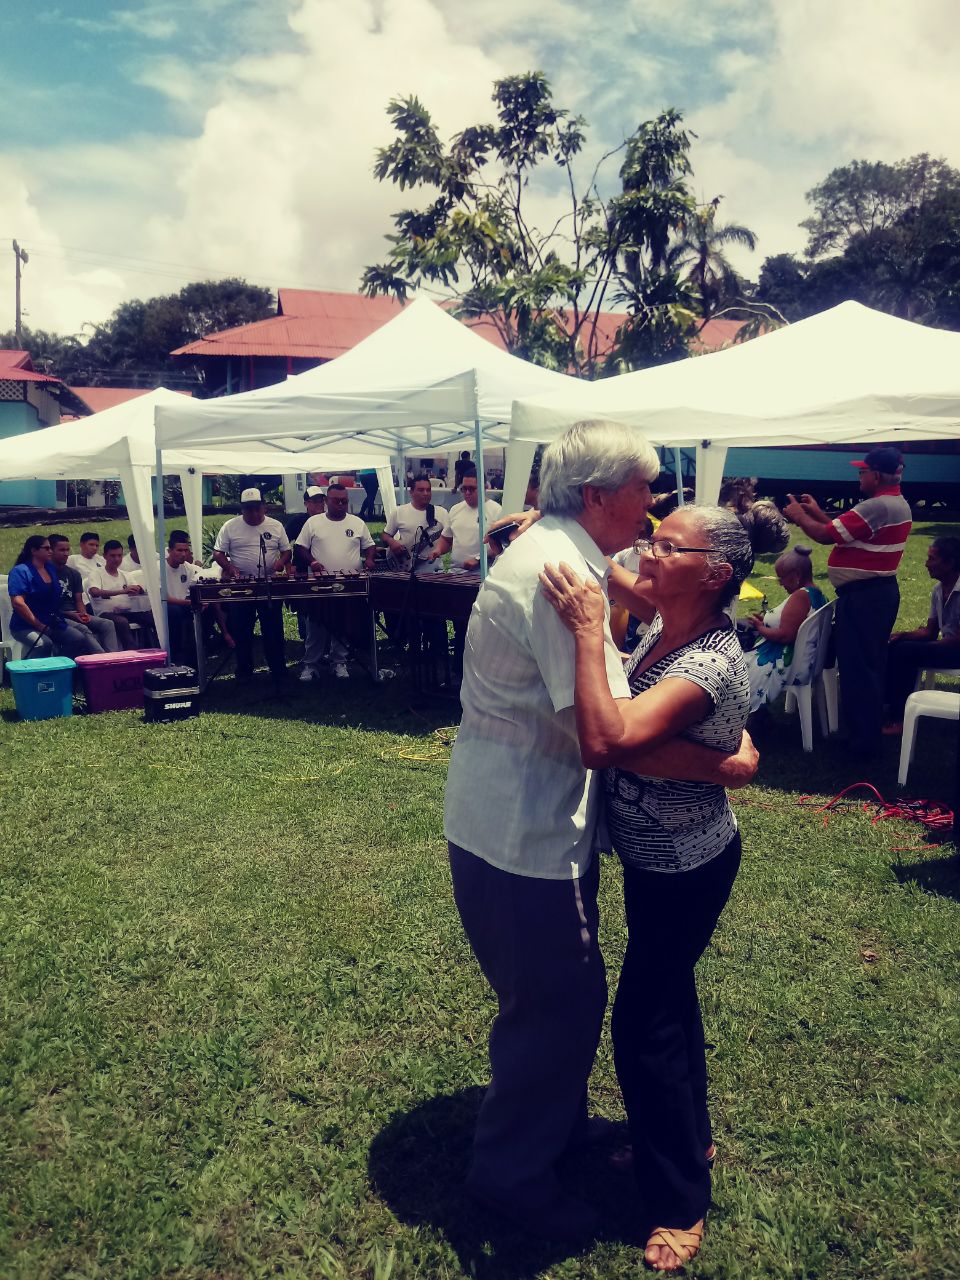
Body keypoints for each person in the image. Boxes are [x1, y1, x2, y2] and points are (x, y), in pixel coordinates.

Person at [443, 420, 759, 1242]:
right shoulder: (562, 578)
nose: (652, 516)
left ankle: (566, 1138)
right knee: (560, 1004)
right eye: (645, 491)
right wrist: (724, 766)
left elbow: (662, 624)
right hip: (526, 832)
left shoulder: (574, 563)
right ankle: (514, 1175)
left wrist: (729, 760)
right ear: (598, 497)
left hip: (546, 824)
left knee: (592, 999)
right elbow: (606, 736)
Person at [538, 501, 784, 1272]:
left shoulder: (706, 662)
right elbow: (614, 566)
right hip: (657, 859)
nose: (648, 550)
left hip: (686, 867)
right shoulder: (666, 615)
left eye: (666, 545)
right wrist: (543, 523)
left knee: (646, 1025)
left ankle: (679, 1199)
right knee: (670, 1004)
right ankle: (686, 1138)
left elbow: (605, 741)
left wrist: (586, 630)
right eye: (652, 534)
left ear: (713, 575)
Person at [783, 446, 912, 756]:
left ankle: (862, 746)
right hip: (874, 596)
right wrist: (815, 513)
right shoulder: (891, 503)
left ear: (876, 475)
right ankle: (864, 737)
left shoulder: (878, 505)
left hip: (866, 598)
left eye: (862, 471)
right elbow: (842, 531)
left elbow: (827, 536)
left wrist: (800, 517)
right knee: (865, 666)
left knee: (859, 670)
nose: (859, 476)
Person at [295, 483, 376, 680]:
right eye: (336, 501)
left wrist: (370, 558)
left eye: (344, 501)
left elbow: (370, 545)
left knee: (343, 624)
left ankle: (339, 662)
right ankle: (310, 664)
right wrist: (312, 561)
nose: (341, 504)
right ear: (327, 501)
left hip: (348, 584)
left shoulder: (357, 523)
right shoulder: (313, 523)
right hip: (319, 584)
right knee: (316, 626)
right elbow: (300, 547)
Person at [212, 487, 292, 684]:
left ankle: (278, 669)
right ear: (242, 509)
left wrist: (281, 562)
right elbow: (218, 553)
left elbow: (286, 551)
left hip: (269, 584)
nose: (254, 513)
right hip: (242, 585)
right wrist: (230, 568)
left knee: (273, 629)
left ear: (264, 507)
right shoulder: (230, 526)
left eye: (257, 508)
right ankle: (245, 670)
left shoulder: (275, 526)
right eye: (249, 509)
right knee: (242, 630)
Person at [883, 535, 960, 732]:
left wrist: (924, 646)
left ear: (950, 563)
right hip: (948, 647)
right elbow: (930, 631)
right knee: (896, 646)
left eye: (932, 559)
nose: (926, 564)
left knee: (906, 652)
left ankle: (898, 719)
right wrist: (902, 635)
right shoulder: (938, 589)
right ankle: (887, 704)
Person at [743, 544, 828, 712]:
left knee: (735, 668)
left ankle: (744, 714)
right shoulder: (816, 593)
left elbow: (785, 636)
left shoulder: (800, 596)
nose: (780, 584)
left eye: (781, 578)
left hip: (788, 665)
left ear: (796, 575)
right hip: (807, 660)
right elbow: (794, 624)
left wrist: (760, 628)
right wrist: (767, 621)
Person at [7, 535, 103, 658]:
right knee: (44, 643)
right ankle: (34, 674)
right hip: (25, 625)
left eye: (50, 548)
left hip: (52, 621)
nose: (50, 551)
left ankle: (62, 668)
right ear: (34, 551)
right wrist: (38, 624)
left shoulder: (50, 568)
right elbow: (18, 603)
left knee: (77, 638)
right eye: (46, 548)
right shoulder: (20, 571)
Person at [49, 534, 117, 652]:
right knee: (83, 628)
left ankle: (114, 657)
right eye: (61, 550)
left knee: (108, 624)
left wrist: (83, 614)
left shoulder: (73, 573)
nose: (66, 553)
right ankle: (102, 659)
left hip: (75, 613)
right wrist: (73, 615)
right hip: (57, 616)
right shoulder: (45, 574)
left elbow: (78, 599)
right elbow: (48, 608)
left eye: (67, 550)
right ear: (51, 551)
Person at [381, 473, 450, 572]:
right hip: (404, 565)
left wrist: (440, 550)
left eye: (428, 490)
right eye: (421, 490)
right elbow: (385, 535)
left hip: (432, 567)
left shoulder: (441, 513)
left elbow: (449, 541)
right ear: (411, 492)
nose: (425, 493)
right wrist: (392, 542)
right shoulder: (399, 511)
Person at [86, 540, 146, 649]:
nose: (116, 559)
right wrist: (122, 591)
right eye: (113, 556)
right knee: (122, 622)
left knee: (150, 618)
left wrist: (138, 589)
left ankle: (156, 648)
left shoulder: (125, 575)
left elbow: (136, 588)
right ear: (104, 556)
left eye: (119, 555)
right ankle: (132, 651)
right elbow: (94, 592)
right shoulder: (97, 573)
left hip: (126, 611)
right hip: (105, 613)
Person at [439, 467, 502, 570]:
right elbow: (446, 538)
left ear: (484, 487)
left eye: (472, 489)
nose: (467, 492)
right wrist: (438, 549)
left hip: (483, 572)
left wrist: (478, 559)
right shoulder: (455, 509)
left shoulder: (497, 511)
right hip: (456, 571)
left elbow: (500, 545)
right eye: (464, 488)